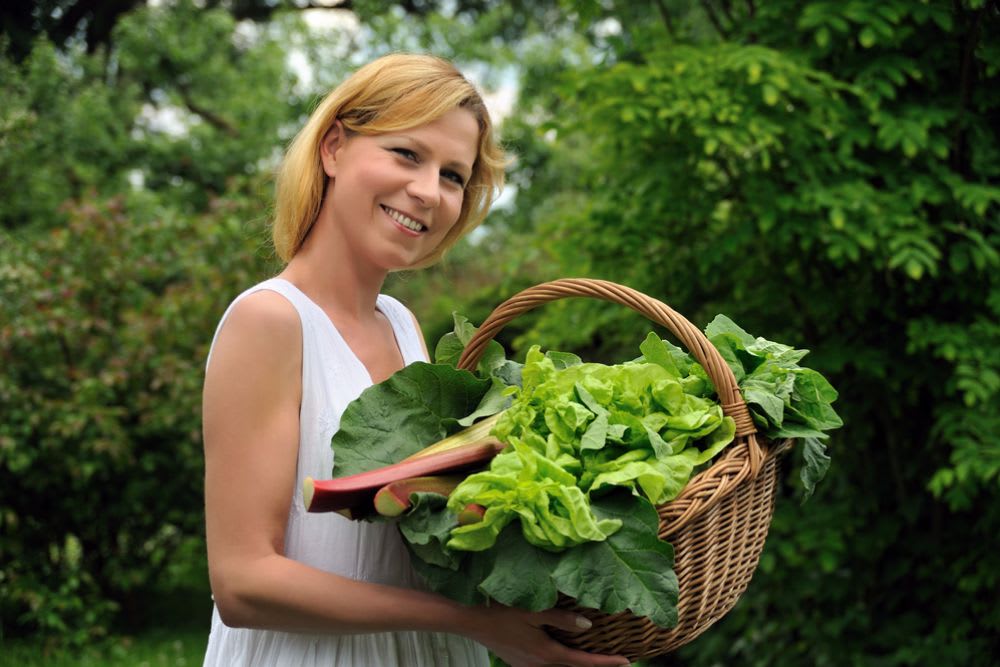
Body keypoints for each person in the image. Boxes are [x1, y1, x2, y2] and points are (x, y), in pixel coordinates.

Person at [200, 53, 632, 667]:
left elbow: (415, 527)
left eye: (454, 176)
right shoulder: (270, 321)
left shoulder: (401, 326)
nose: (429, 191)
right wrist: (472, 622)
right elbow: (244, 584)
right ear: (332, 148)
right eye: (407, 154)